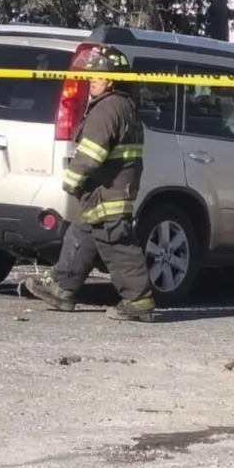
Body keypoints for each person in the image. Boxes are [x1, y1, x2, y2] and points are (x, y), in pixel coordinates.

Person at [24, 45, 155, 322]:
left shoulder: (108, 107)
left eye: (96, 76)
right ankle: (62, 288)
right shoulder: (118, 104)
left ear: (111, 80)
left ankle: (138, 299)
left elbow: (92, 153)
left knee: (115, 241)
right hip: (105, 188)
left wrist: (71, 179)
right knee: (81, 235)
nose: (91, 80)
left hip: (109, 189)